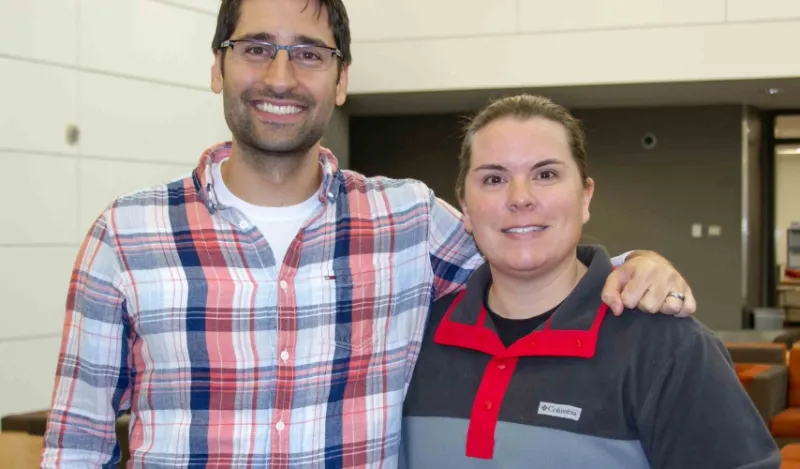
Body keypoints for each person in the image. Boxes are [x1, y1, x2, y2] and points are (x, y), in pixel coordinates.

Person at [41, 0, 697, 467]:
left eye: (308, 54)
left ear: (342, 79)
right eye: (255, 48)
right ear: (218, 67)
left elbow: (524, 248)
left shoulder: (407, 219)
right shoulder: (126, 235)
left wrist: (635, 263)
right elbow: (77, 444)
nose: (279, 76)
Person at [401, 94, 780, 469]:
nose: (520, 198)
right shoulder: (411, 339)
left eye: (545, 174)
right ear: (465, 208)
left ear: (585, 197)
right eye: (494, 178)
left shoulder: (670, 348)